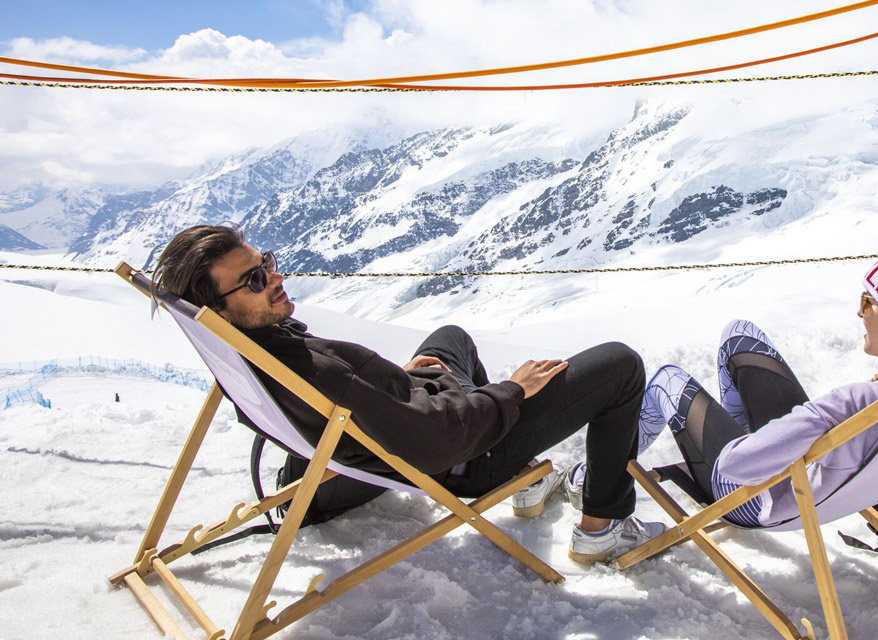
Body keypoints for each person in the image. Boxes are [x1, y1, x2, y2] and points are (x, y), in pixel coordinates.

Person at [152, 224, 664, 563]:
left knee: (451, 339)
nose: (276, 277)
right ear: (218, 308)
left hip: (371, 440)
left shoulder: (246, 349)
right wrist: (512, 391)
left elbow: (364, 403)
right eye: (255, 278)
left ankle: (521, 476)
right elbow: (433, 439)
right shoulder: (311, 367)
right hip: (460, 453)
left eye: (266, 261)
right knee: (618, 365)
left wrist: (392, 383)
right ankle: (602, 526)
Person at [631, 218, 878, 528]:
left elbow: (735, 464)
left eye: (868, 302)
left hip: (757, 499)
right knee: (738, 336)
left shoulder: (860, 404)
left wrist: (777, 437)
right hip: (821, 488)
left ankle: (594, 483)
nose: (860, 313)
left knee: (667, 379)